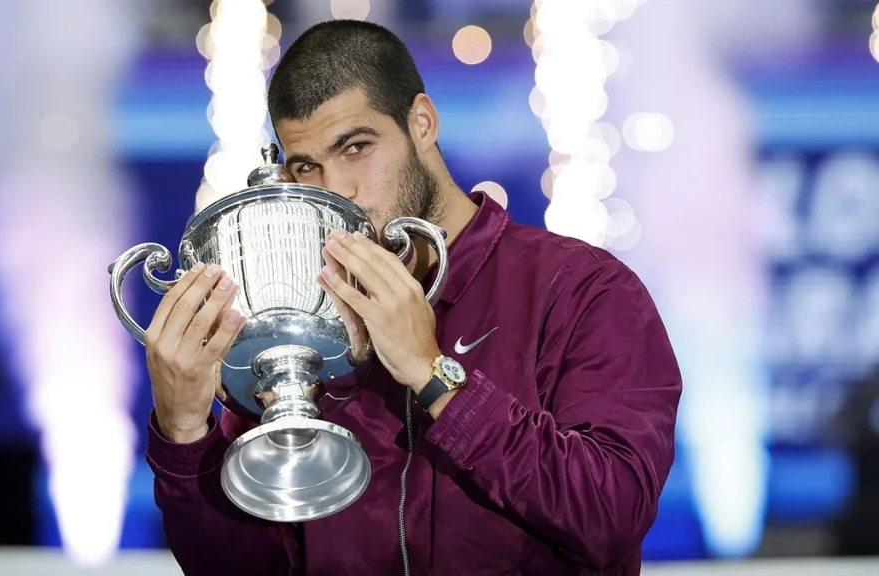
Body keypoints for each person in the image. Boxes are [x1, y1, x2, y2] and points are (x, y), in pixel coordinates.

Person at [142, 19, 682, 576]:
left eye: (356, 147)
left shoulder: (579, 287)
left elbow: (611, 511)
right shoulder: (304, 320)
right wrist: (184, 433)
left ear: (422, 122)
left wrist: (434, 374)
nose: (337, 189)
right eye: (307, 166)